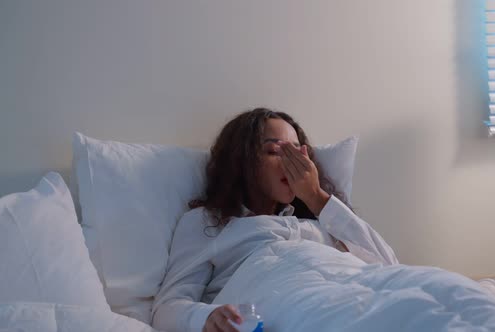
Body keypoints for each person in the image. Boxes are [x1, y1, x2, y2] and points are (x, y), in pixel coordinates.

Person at [152, 108, 398, 332]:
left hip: (366, 299)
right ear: (243, 161)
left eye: (298, 153)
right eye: (275, 151)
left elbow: (388, 266)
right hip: (298, 308)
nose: (292, 163)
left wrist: (316, 197)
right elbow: (167, 308)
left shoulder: (321, 222)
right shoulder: (210, 222)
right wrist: (207, 317)